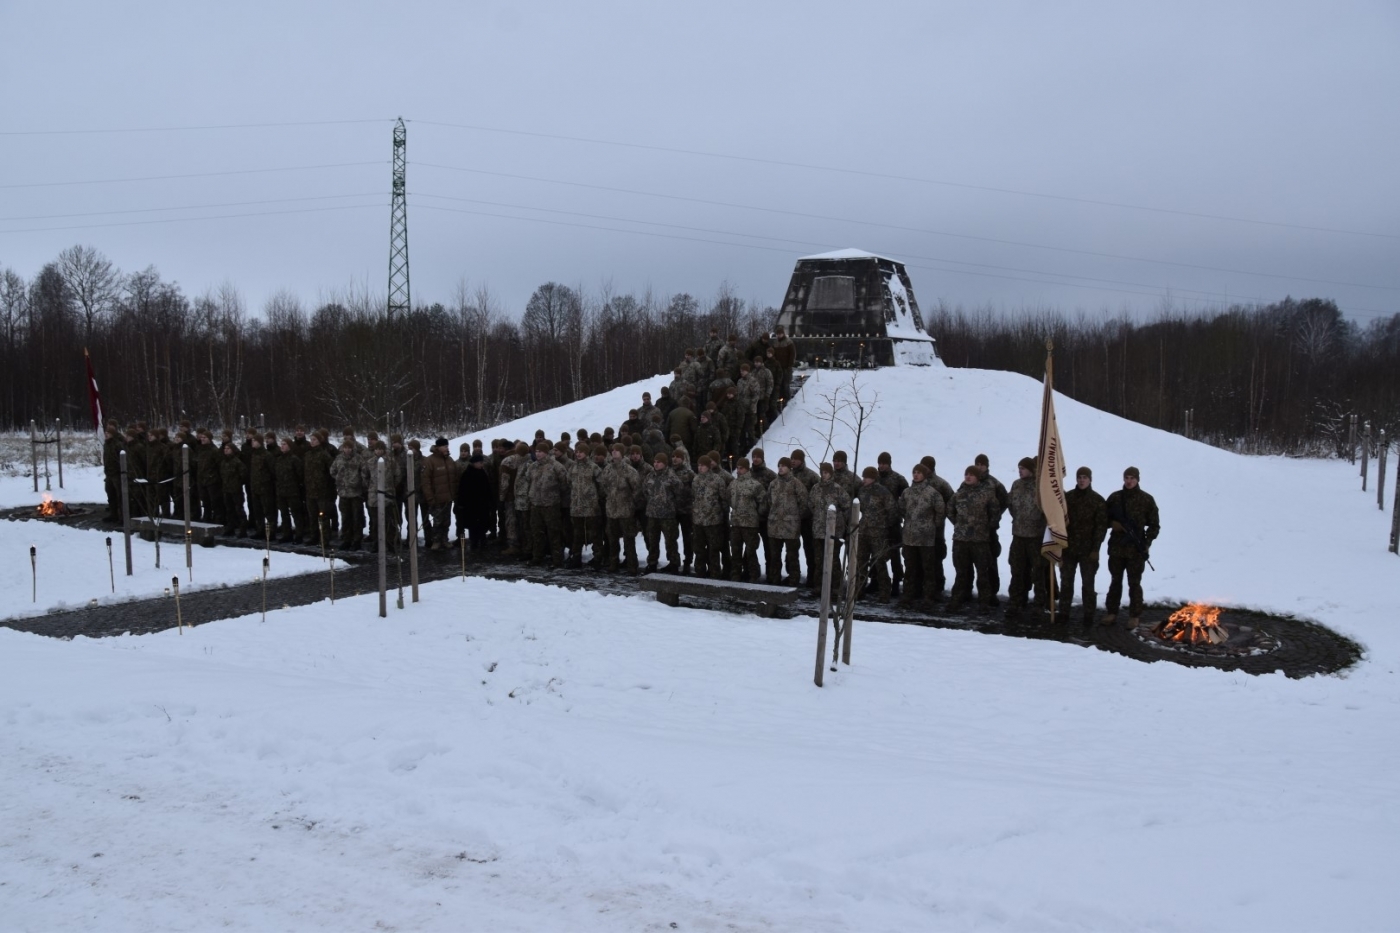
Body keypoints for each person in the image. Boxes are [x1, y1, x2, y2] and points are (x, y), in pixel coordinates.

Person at [1103, 466, 1161, 626]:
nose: (1129, 481)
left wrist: (1146, 542)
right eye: (1127, 478)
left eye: (1132, 478)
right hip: (1116, 548)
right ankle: (1111, 612)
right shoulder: (1115, 498)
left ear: (1137, 480)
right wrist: (1113, 524)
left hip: (1136, 549)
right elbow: (1102, 518)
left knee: (1134, 583)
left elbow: (1155, 525)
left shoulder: (1146, 499)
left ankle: (1134, 615)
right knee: (1115, 581)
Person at [947, 465, 999, 613]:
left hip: (979, 540)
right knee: (961, 572)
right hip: (961, 540)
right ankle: (956, 600)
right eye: (966, 474)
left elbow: (995, 512)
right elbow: (950, 511)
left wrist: (987, 527)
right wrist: (959, 525)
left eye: (971, 475)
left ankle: (984, 603)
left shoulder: (986, 494)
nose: (968, 477)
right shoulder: (958, 494)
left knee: (983, 573)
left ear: (977, 477)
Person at [1060, 466, 1108, 623]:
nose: (1081, 480)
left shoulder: (1098, 500)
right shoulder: (1068, 497)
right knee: (1066, 583)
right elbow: (1059, 521)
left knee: (1088, 585)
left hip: (1088, 551)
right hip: (1068, 548)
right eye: (1079, 477)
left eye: (1084, 477)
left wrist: (1096, 548)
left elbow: (1101, 527)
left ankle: (1089, 614)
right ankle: (1063, 612)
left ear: (1090, 479)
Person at [1006, 456, 1049, 618]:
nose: (1020, 471)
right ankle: (1016, 601)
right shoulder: (1016, 485)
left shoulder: (1041, 487)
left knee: (1037, 572)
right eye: (1019, 468)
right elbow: (1010, 505)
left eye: (1023, 468)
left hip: (1035, 537)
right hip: (1018, 535)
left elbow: (1050, 508)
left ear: (1031, 470)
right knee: (1017, 570)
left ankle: (1039, 603)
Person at [899, 463, 946, 608]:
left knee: (928, 569)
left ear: (925, 475)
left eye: (919, 472)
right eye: (914, 472)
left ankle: (928, 597)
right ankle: (908, 596)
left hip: (926, 539)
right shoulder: (907, 492)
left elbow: (940, 512)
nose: (916, 475)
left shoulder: (933, 493)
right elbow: (901, 509)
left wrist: (931, 526)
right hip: (909, 538)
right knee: (910, 568)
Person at [808, 462, 852, 594]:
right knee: (818, 560)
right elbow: (810, 504)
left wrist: (840, 522)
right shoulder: (816, 488)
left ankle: (835, 587)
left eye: (826, 472)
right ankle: (819, 586)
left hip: (834, 531)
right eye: (822, 472)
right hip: (818, 530)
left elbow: (847, 506)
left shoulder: (838, 489)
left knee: (833, 559)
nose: (824, 474)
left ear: (831, 473)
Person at [855, 467, 896, 602]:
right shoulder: (861, 491)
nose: (864, 480)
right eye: (863, 477)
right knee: (861, 561)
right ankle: (858, 590)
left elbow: (891, 511)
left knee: (879, 562)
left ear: (873, 478)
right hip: (864, 531)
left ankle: (885, 592)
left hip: (879, 532)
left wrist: (886, 526)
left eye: (866, 477)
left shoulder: (883, 492)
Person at [601, 444, 642, 574]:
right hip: (612, 511)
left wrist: (630, 503)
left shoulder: (629, 471)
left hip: (626, 511)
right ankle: (613, 564)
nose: (614, 452)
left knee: (628, 540)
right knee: (612, 540)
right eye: (612, 450)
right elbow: (603, 486)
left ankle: (632, 566)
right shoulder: (607, 469)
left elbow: (637, 489)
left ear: (622, 453)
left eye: (617, 450)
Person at [727, 457, 767, 582]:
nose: (739, 470)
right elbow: (728, 498)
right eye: (738, 468)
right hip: (736, 523)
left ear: (747, 469)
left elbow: (763, 502)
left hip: (750, 524)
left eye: (741, 468)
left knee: (750, 552)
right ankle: (736, 574)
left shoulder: (755, 485)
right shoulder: (733, 484)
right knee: (736, 551)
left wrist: (757, 515)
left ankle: (753, 574)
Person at [642, 450, 682, 572]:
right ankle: (652, 563)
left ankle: (674, 563)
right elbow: (645, 491)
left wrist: (670, 504)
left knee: (670, 541)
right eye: (655, 462)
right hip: (652, 514)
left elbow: (679, 492)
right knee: (652, 540)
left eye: (659, 462)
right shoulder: (650, 476)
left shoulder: (671, 476)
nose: (656, 464)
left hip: (667, 515)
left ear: (665, 463)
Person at [691, 455, 729, 578]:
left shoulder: (718, 480)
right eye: (699, 465)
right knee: (699, 549)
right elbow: (694, 498)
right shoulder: (696, 480)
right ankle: (700, 572)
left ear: (708, 466)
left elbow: (723, 500)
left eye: (702, 465)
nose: (700, 468)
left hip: (713, 521)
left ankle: (715, 573)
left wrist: (722, 516)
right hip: (698, 521)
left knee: (714, 550)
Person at [420, 437, 459, 550]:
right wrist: (430, 497)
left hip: (448, 498)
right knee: (437, 521)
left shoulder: (450, 460)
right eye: (444, 446)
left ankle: (444, 540)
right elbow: (425, 481)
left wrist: (454, 494)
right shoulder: (429, 461)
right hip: (436, 498)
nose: (447, 448)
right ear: (438, 447)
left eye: (447, 446)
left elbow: (454, 478)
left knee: (447, 521)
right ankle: (436, 541)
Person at [331, 440, 368, 549]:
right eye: (345, 447)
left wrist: (360, 484)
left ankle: (357, 540)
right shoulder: (339, 458)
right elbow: (332, 470)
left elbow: (364, 473)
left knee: (357, 518)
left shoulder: (358, 458)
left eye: (349, 447)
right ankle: (347, 539)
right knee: (345, 518)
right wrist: (339, 480)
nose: (347, 450)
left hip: (356, 494)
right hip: (343, 493)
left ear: (352, 448)